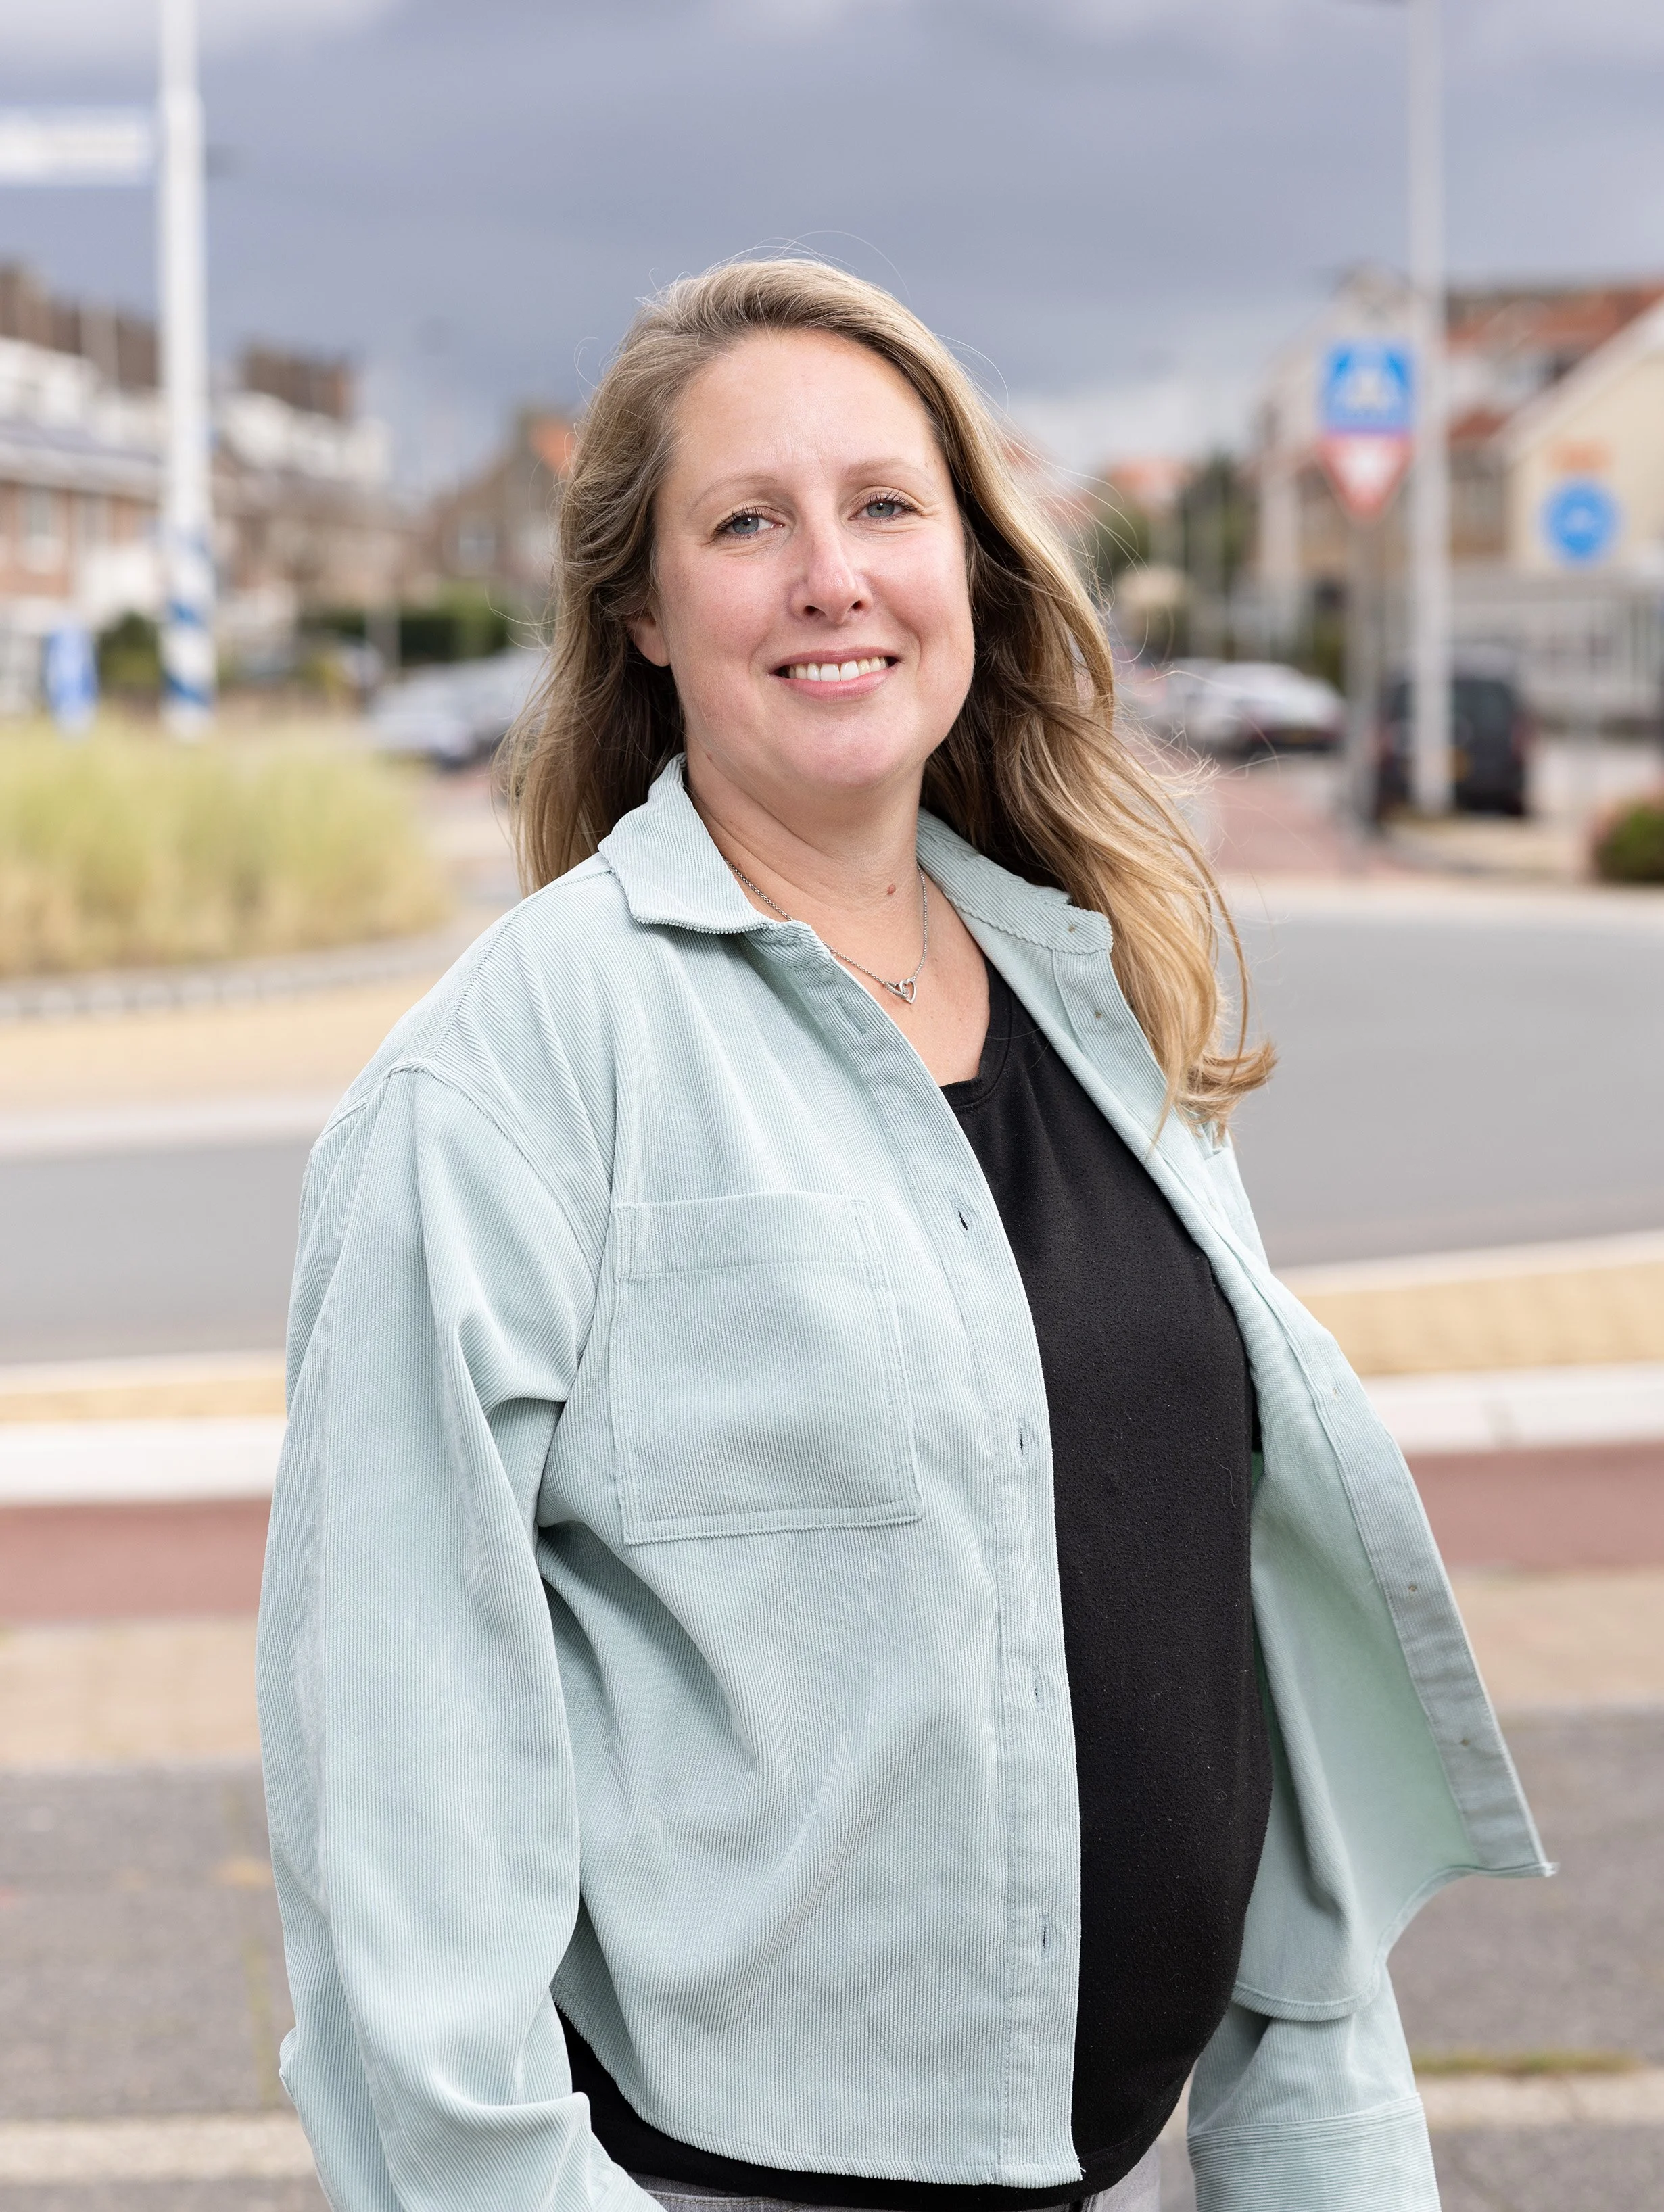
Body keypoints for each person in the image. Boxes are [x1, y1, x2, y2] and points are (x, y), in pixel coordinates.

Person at [258, 260, 1546, 2212]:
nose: (828, 575)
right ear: (642, 606)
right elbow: (397, 1800)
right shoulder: (514, 1075)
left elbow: (1232, 1651)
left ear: (972, 561)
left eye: (882, 505)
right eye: (744, 522)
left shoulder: (1105, 999)